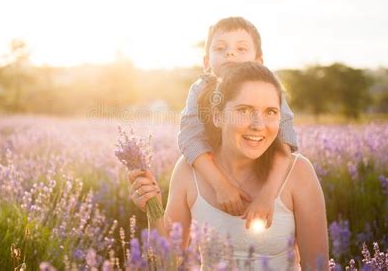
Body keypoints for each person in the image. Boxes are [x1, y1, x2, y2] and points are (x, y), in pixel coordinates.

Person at [129, 62, 328, 270]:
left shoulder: (298, 172)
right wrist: (154, 211)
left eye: (270, 111)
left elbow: (318, 266)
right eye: (244, 110)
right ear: (217, 116)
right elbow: (166, 263)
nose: (258, 125)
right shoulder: (189, 171)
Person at [178, 17, 298, 228]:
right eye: (220, 48)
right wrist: (220, 185)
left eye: (241, 48)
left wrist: (267, 195)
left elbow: (285, 140)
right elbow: (189, 138)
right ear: (206, 62)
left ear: (259, 62)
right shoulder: (199, 90)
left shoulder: (269, 90)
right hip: (214, 171)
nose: (230, 53)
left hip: (262, 172)